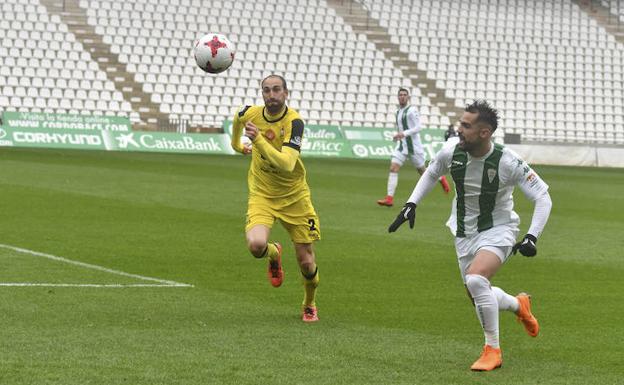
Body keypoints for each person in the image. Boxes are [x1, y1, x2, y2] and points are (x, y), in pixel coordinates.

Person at [388, 100, 552, 371]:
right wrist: (411, 203)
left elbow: (543, 197)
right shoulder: (451, 150)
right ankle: (518, 305)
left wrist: (532, 235)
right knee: (477, 293)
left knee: (476, 280)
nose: (459, 129)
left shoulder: (507, 161)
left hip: (499, 230)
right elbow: (431, 172)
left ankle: (493, 351)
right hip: (463, 232)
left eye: (465, 125)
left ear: (484, 133)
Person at [230, 74, 321, 322]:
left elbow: (288, 163)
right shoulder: (252, 113)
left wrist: (257, 139)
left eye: (276, 90)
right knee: (256, 245)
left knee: (306, 261)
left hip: (295, 198)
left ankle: (309, 303)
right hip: (263, 195)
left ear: (286, 93)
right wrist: (237, 145)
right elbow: (238, 116)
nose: (271, 95)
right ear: (262, 94)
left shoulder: (295, 122)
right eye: (267, 90)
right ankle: (274, 253)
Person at [377, 88, 450, 207]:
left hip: (414, 147)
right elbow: (402, 129)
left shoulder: (412, 110)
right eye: (400, 95)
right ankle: (389, 198)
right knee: (393, 168)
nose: (402, 97)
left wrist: (403, 133)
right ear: (398, 97)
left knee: (423, 172)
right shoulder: (397, 112)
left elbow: (418, 127)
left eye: (404, 95)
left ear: (408, 97)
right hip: (402, 146)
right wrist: (398, 136)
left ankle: (441, 178)